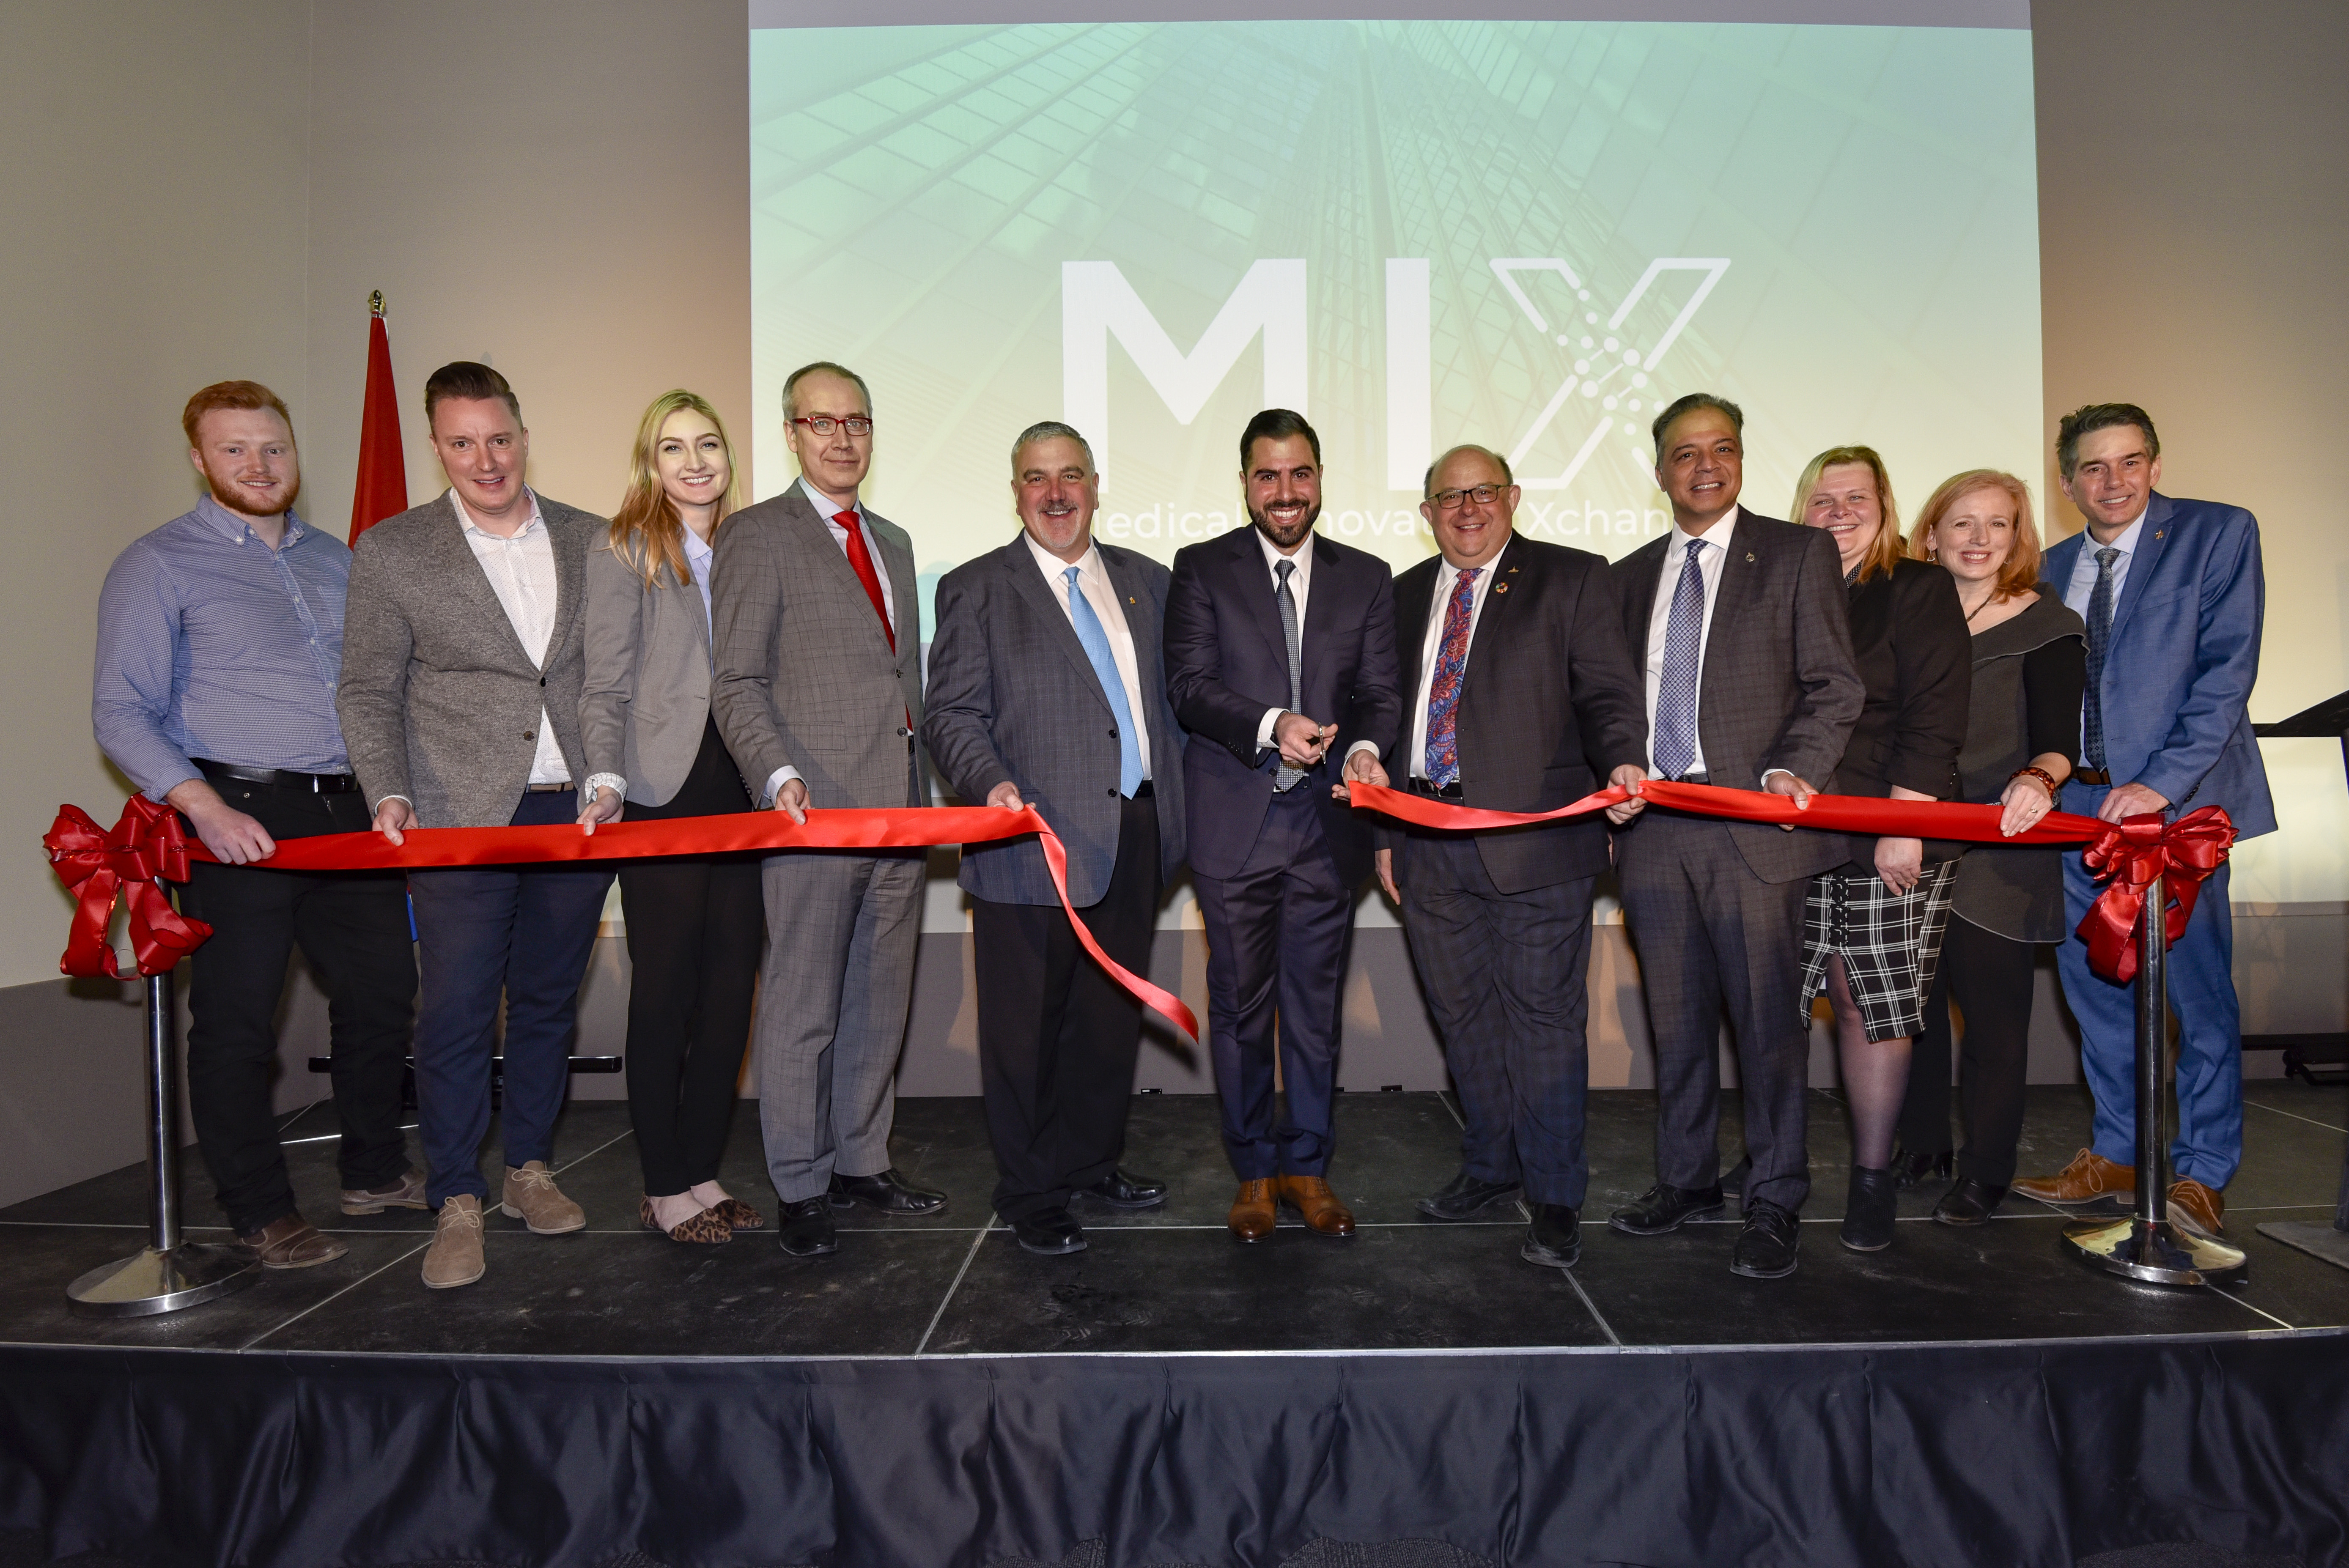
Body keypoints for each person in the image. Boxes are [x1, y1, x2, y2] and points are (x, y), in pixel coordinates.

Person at [91, 381, 418, 1270]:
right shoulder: (158, 563)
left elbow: (377, 687)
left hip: (349, 810)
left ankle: (376, 1171)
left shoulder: (338, 560)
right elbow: (122, 709)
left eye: (272, 447)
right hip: (236, 812)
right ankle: (259, 1209)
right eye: (234, 449)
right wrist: (201, 806)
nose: (259, 465)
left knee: (384, 991)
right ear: (200, 460)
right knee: (238, 1021)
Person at [338, 361, 613, 1290]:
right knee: (456, 1011)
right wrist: (388, 789)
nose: (485, 459)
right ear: (437, 446)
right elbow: (368, 688)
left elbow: (606, 677)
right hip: (457, 814)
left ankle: (527, 1171)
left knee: (545, 1002)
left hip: (574, 810)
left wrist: (609, 773)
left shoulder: (592, 537)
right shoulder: (392, 549)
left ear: (522, 434)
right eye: (462, 443)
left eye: (499, 438)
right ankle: (455, 1197)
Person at [1605, 393, 1863, 1280]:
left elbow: (1834, 684)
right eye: (1683, 453)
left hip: (1754, 829)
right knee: (1674, 1023)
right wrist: (1615, 767)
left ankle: (1774, 1197)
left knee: (1765, 1027)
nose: (1703, 465)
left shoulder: (1795, 553)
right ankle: (1684, 1181)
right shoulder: (1627, 573)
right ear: (1659, 470)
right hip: (1654, 831)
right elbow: (1609, 704)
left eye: (1720, 449)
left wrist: (1796, 768)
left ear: (1741, 460)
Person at [1375, 445, 1647, 1270]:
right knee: (1462, 1020)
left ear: (1512, 498)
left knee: (1541, 1024)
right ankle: (1490, 1167)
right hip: (1426, 840)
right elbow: (1385, 715)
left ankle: (1556, 1194)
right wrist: (1386, 835)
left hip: (1537, 844)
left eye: (1482, 492)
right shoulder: (1400, 594)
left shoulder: (1571, 577)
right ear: (1425, 512)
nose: (1466, 509)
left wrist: (1621, 764)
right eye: (1447, 497)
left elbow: (1605, 695)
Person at [923, 421, 1187, 1256]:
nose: (1056, 492)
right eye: (1036, 478)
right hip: (1028, 839)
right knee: (1024, 1029)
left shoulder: (1149, 583)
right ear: (1015, 492)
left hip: (1133, 831)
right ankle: (1032, 1189)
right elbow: (950, 714)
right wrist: (988, 785)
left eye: (1070, 474)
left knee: (1107, 1020)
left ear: (1096, 485)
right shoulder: (976, 589)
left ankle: (1088, 1160)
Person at [2014, 405, 2275, 1239]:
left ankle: (2201, 1172)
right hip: (2076, 808)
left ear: (2154, 466)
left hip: (2176, 809)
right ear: (2065, 483)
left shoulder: (2217, 534)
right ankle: (2118, 1152)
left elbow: (2222, 675)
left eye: (2129, 463)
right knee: (2092, 991)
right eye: (2092, 468)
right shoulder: (2045, 567)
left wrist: (2157, 787)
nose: (2112, 481)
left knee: (2194, 997)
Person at [711, 360, 944, 1259]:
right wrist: (774, 777)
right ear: (791, 434)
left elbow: (900, 678)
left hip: (898, 811)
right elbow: (736, 682)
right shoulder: (755, 536)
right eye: (822, 424)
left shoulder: (892, 538)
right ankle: (801, 1182)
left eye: (856, 422)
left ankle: (861, 1162)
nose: (842, 438)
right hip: (809, 815)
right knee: (805, 1008)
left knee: (879, 1003)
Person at [1164, 408, 1402, 1243]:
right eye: (1267, 476)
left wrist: (1367, 749)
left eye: (1299, 473)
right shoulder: (1200, 569)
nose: (1284, 491)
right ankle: (1253, 1174)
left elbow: (1379, 692)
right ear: (1243, 484)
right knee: (1237, 1012)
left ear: (1320, 478)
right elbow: (1188, 686)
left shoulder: (1365, 576)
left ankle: (1306, 1166)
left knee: (1311, 1012)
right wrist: (1271, 723)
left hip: (1324, 831)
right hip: (1235, 825)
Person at [578, 391, 765, 1245]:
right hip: (662, 789)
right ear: (649, 464)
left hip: (746, 785)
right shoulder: (624, 548)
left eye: (709, 444)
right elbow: (603, 681)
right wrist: (605, 776)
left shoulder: (754, 546)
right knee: (666, 993)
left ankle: (699, 1169)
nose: (695, 462)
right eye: (673, 448)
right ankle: (660, 1185)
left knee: (730, 989)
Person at [1785, 446, 1970, 1252]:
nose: (1840, 512)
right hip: (1785, 833)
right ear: (1801, 509)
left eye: (1856, 498)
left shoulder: (1917, 588)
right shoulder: (1780, 586)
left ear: (1885, 506)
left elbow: (1935, 713)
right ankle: (1773, 1167)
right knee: (1780, 1006)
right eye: (1823, 500)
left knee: (1871, 1002)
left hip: (1889, 826)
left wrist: (1907, 821)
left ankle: (1870, 1180)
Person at [1891, 470, 2085, 1225]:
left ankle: (1986, 1172)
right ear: (1929, 535)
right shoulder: (1903, 615)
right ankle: (1925, 1143)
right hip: (1908, 834)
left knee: (1994, 1021)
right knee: (1914, 1006)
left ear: (2017, 538)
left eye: (1997, 525)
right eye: (1961, 524)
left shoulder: (2047, 622)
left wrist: (2039, 778)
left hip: (2000, 844)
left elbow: (2058, 743)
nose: (1978, 540)